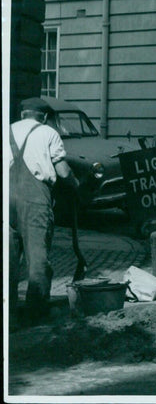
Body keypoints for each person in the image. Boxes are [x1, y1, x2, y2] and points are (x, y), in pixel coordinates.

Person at [9, 97, 80, 325]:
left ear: (22, 115)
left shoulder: (7, 130)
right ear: (45, 117)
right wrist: (76, 184)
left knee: (8, 259)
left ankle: (8, 315)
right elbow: (63, 172)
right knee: (37, 259)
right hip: (35, 200)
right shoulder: (49, 133)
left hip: (5, 200)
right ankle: (35, 314)